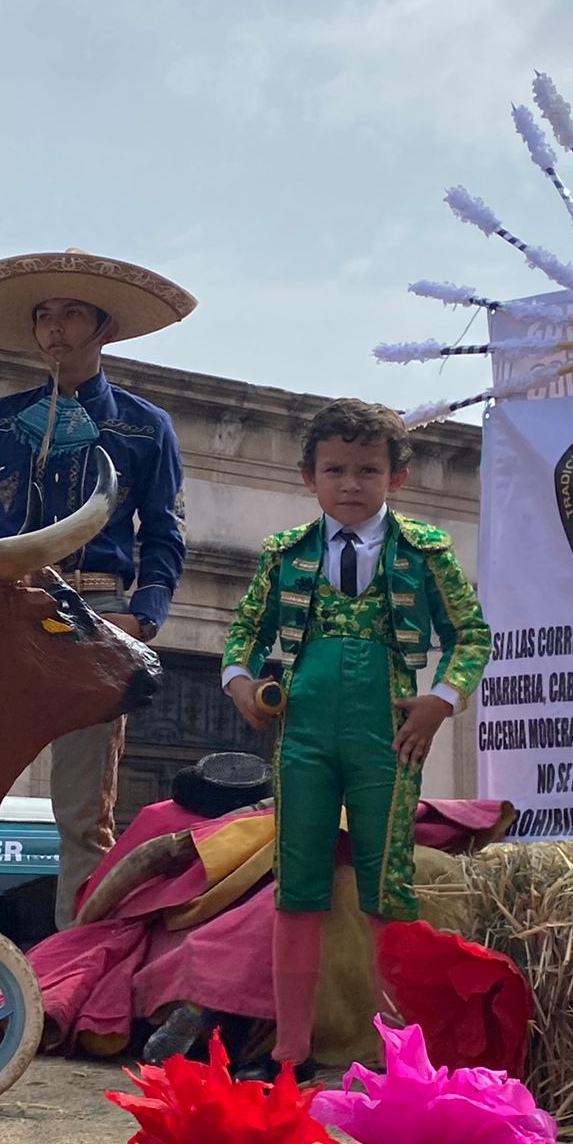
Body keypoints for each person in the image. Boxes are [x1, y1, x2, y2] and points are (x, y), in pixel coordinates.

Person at [0, 248, 194, 933]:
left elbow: (165, 534)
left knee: (82, 814)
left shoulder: (145, 425)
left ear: (102, 327)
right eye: (43, 315)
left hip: (95, 618)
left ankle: (73, 977)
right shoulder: (0, 420)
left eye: (69, 313)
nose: (53, 328)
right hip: (1, 611)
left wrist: (144, 616)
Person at [218, 398, 490, 1081]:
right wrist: (241, 686)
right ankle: (290, 1055)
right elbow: (240, 637)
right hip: (303, 734)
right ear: (309, 475)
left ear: (397, 477)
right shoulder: (285, 554)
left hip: (389, 736)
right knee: (298, 889)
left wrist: (440, 701)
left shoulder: (427, 551)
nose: (350, 483)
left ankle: (397, 1057)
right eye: (335, 469)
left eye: (367, 470)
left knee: (386, 890)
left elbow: (473, 635)